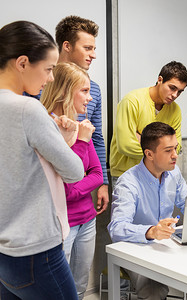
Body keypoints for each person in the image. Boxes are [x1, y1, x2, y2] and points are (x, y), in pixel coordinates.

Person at [0, 21, 84, 299]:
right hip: (36, 250)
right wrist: (69, 139)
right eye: (48, 69)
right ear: (22, 63)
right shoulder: (27, 109)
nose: (50, 79)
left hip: (5, 250)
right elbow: (74, 171)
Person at [41, 62, 103, 300]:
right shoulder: (47, 126)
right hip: (60, 226)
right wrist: (82, 142)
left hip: (87, 220)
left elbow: (96, 175)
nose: (90, 98)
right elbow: (67, 186)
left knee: (79, 287)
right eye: (84, 91)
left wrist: (74, 189)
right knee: (58, 293)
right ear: (65, 90)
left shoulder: (80, 128)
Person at [108, 122, 187, 300]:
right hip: (137, 248)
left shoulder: (173, 173)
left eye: (176, 148)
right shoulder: (128, 183)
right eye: (168, 151)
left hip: (166, 244)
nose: (175, 156)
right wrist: (151, 231)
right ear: (149, 154)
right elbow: (116, 228)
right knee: (154, 291)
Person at [55, 15, 109, 215]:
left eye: (94, 48)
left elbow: (95, 137)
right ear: (67, 46)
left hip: (82, 189)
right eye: (87, 48)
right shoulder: (40, 84)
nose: (93, 55)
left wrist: (102, 181)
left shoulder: (93, 89)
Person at [109, 61, 187, 187]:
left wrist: (144, 140)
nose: (175, 95)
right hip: (126, 174)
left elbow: (176, 148)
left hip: (157, 176)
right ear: (160, 80)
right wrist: (163, 149)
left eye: (179, 91)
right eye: (172, 88)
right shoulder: (131, 101)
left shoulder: (175, 110)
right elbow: (125, 145)